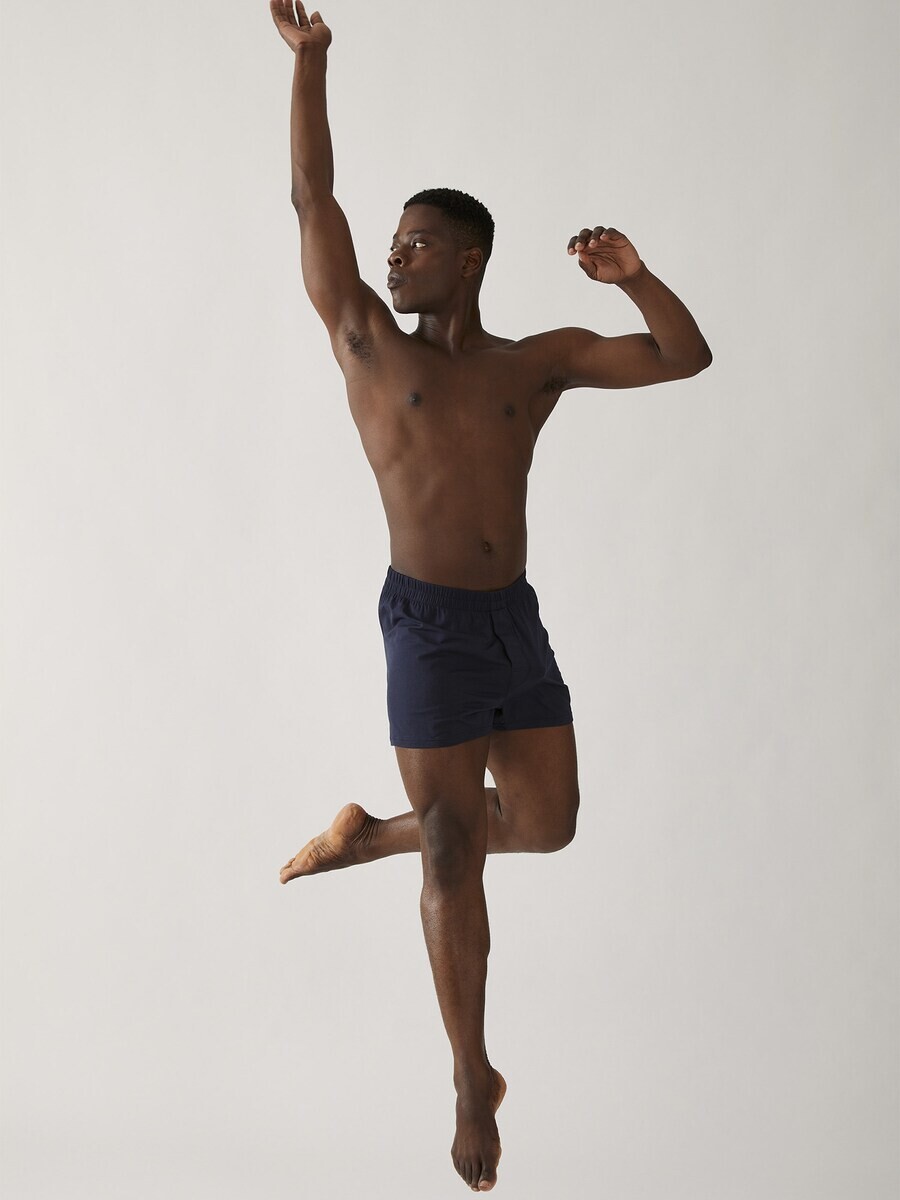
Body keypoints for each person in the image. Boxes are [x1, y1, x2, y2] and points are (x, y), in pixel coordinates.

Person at [269, 2, 712, 1192]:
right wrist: (311, 66)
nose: (395, 258)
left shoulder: (533, 364)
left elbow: (683, 356)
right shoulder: (371, 343)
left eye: (417, 245)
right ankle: (472, 1077)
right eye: (394, 244)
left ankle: (369, 835)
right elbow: (313, 201)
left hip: (513, 622)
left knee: (549, 823)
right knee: (457, 858)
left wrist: (636, 276)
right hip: (425, 625)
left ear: (468, 261)